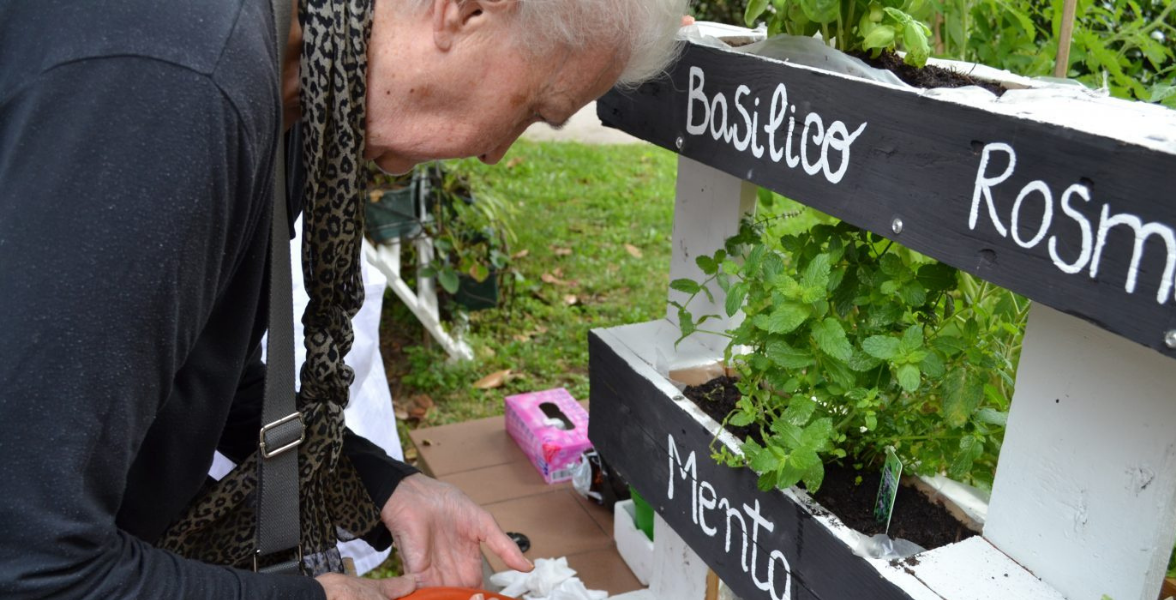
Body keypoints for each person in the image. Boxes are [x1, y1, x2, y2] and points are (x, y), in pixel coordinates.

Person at [0, 0, 687, 599]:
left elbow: (201, 371)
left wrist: (385, 486)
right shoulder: (178, 85)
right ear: (469, 8)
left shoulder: (293, 88)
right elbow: (29, 561)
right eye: (536, 109)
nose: (495, 155)